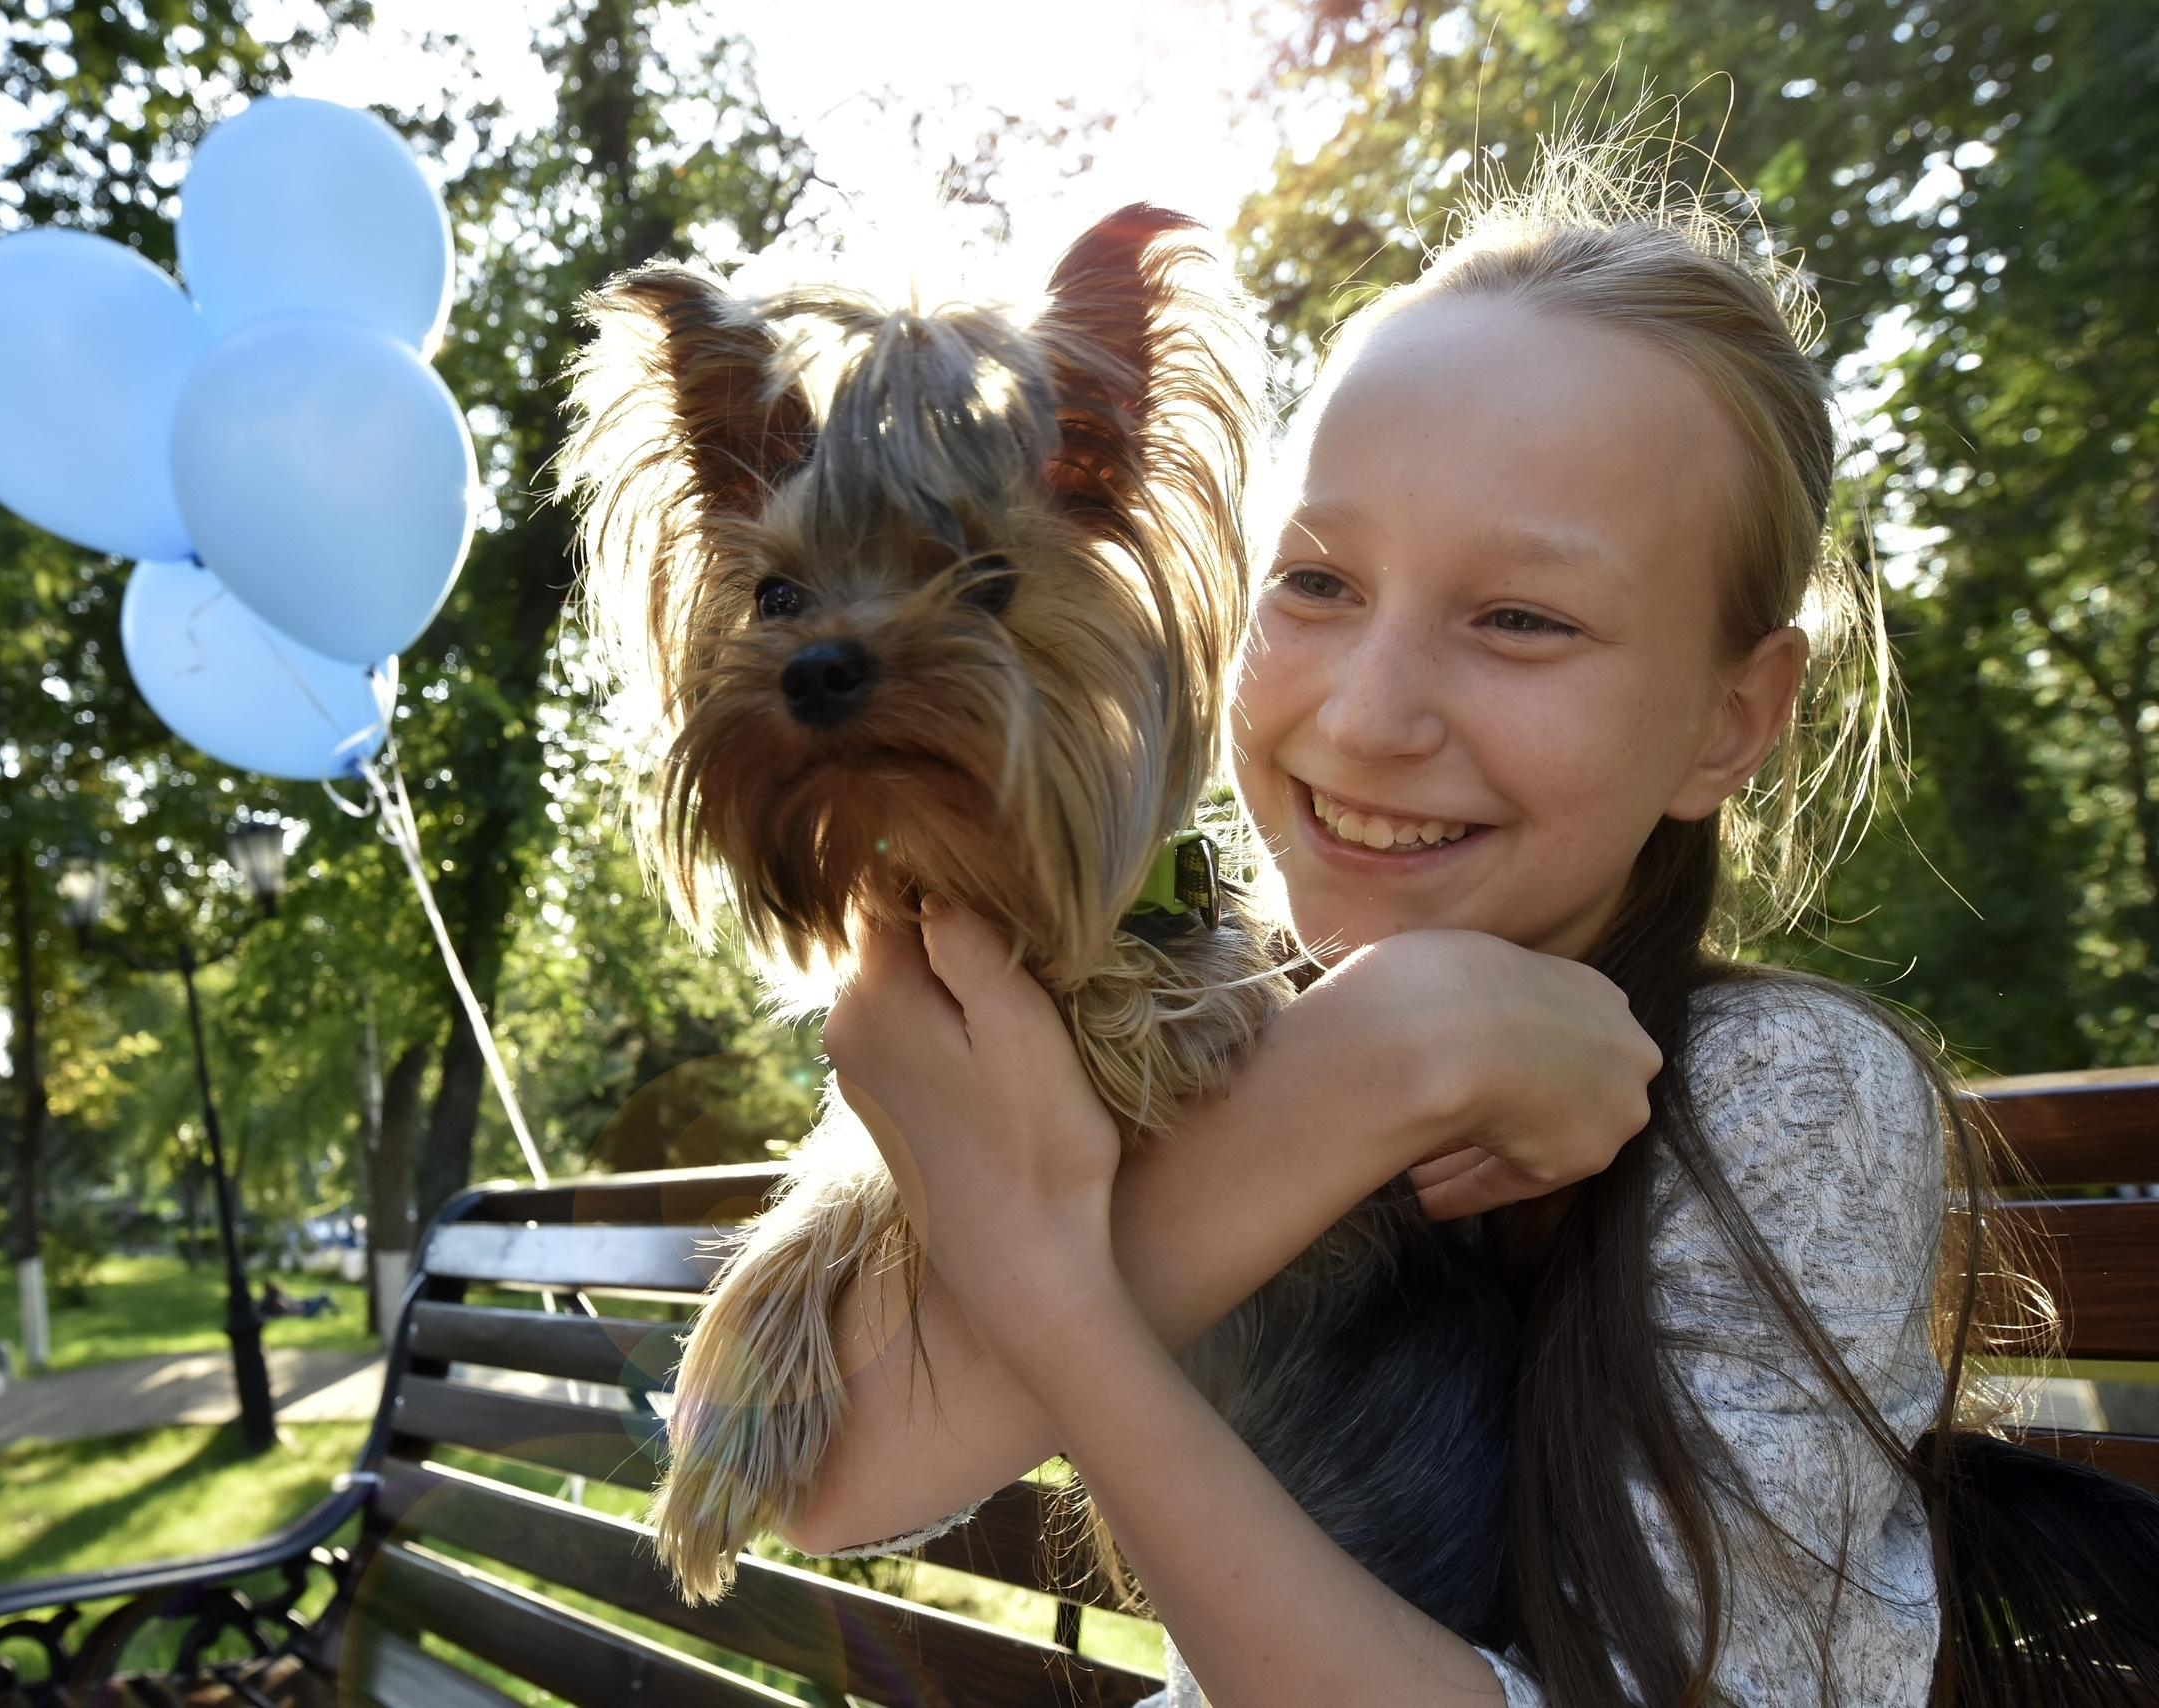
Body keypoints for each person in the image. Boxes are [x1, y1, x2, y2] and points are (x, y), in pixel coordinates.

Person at [790, 147, 2042, 1706]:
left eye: (1522, 618)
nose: (1371, 718)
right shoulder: (1222, 1016)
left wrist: (1057, 1286)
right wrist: (1382, 1054)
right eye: (1313, 581)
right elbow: (807, 1476)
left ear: (1732, 718)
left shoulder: (1793, 1100)